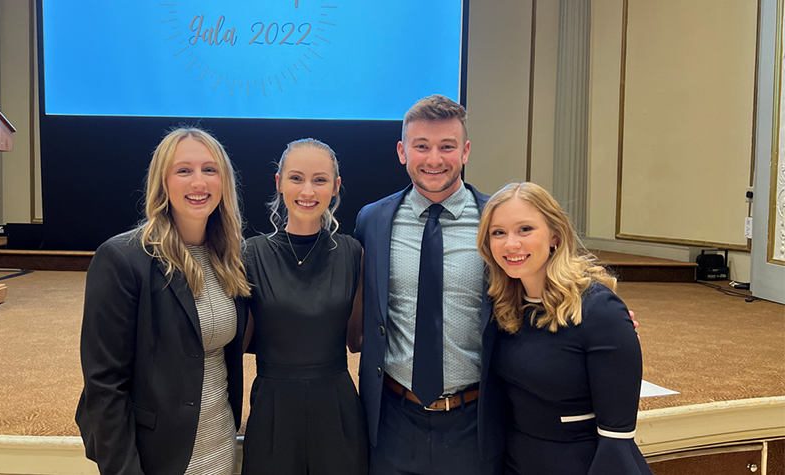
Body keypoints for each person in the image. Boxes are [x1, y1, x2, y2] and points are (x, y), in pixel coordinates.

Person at [75, 128, 251, 475]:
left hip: (220, 444)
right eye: (183, 170)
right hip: (160, 456)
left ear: (224, 181)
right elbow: (105, 386)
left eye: (209, 170)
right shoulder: (122, 258)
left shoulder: (230, 259)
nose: (198, 182)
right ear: (163, 182)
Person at [354, 95, 504, 474]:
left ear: (465, 151)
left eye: (447, 147)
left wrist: (600, 316)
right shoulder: (372, 220)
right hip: (393, 419)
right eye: (422, 146)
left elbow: (544, 281)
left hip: (476, 419)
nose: (434, 159)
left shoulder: (497, 221)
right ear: (403, 151)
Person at [476, 182, 652, 475]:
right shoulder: (504, 306)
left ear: (555, 235)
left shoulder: (598, 309)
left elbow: (616, 441)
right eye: (498, 232)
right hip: (517, 460)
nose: (511, 244)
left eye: (525, 229)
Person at [240, 138, 368, 475]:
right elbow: (237, 341)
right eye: (296, 178)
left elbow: (356, 340)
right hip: (273, 408)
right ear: (279, 182)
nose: (307, 191)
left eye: (320, 180)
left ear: (336, 187)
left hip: (337, 408)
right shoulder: (250, 255)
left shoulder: (353, 252)